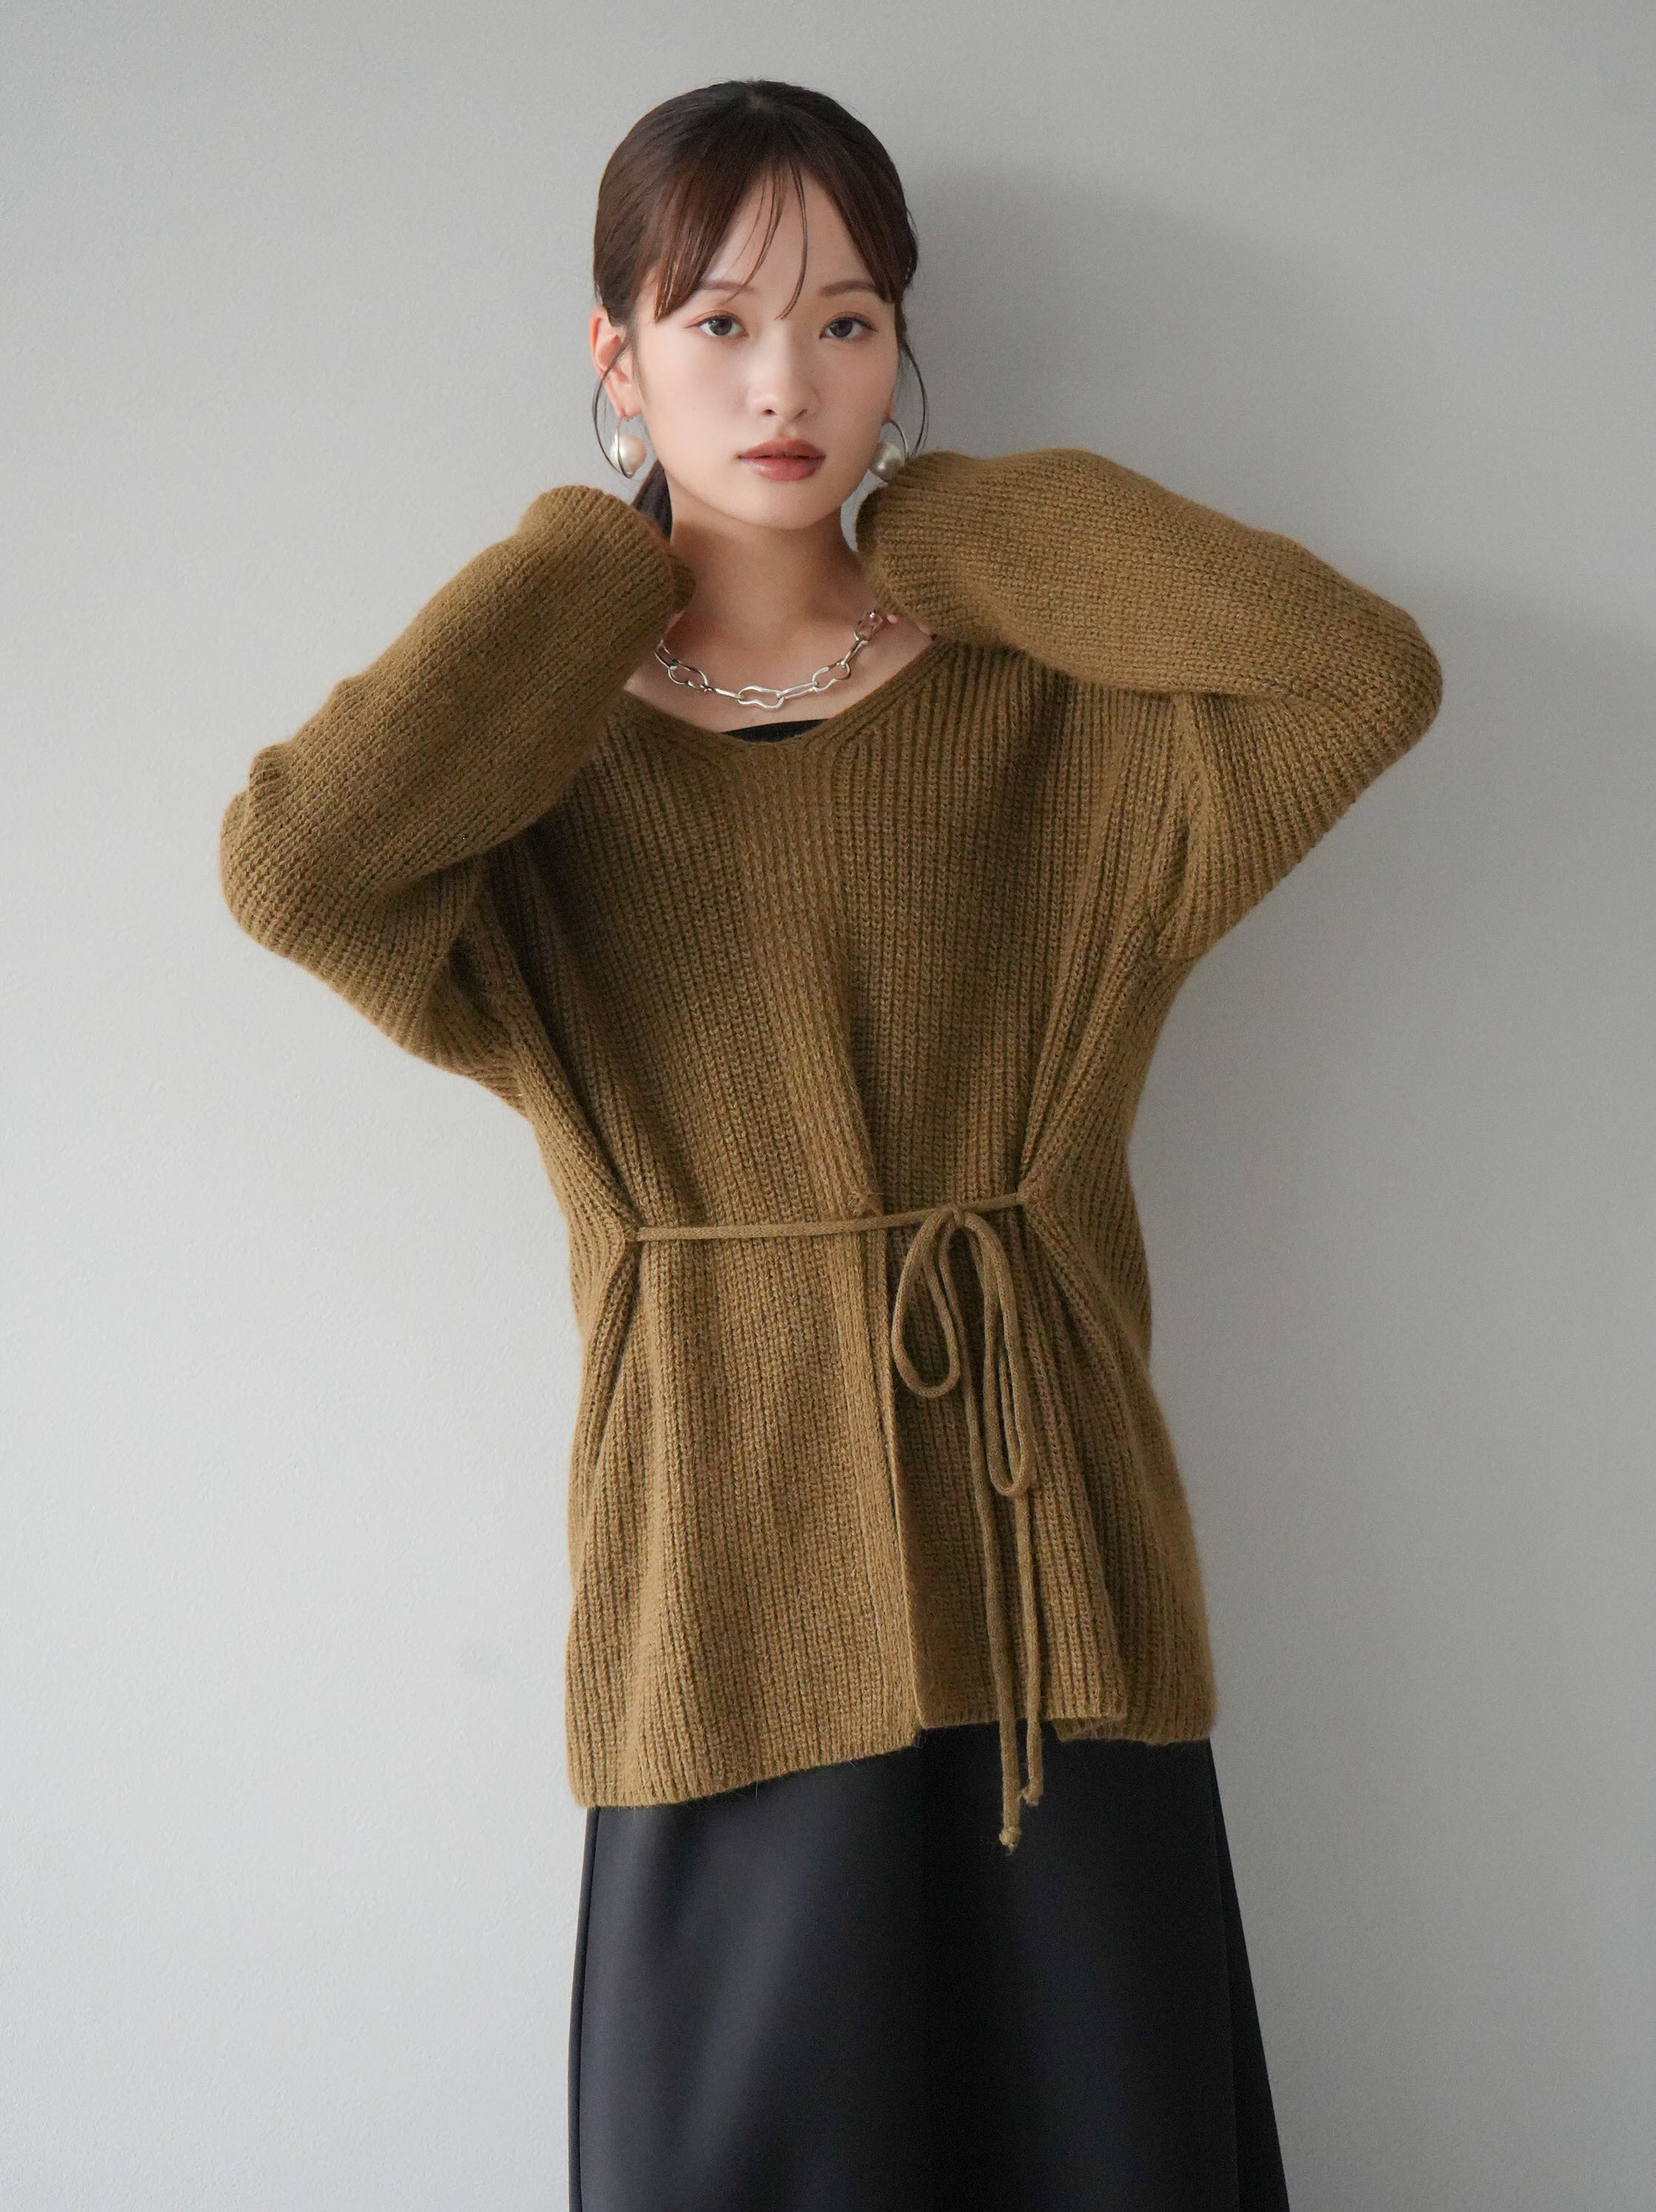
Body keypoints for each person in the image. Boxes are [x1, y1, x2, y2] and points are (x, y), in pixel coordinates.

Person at [218, 75, 1443, 2212]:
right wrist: (593, 570)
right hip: (719, 1598)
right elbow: (293, 866)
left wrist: (952, 534)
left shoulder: (1059, 721)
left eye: (847, 322)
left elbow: (1361, 677)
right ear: (615, 353)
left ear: (902, 350)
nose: (786, 383)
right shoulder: (536, 780)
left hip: (1052, 1599)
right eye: (715, 323)